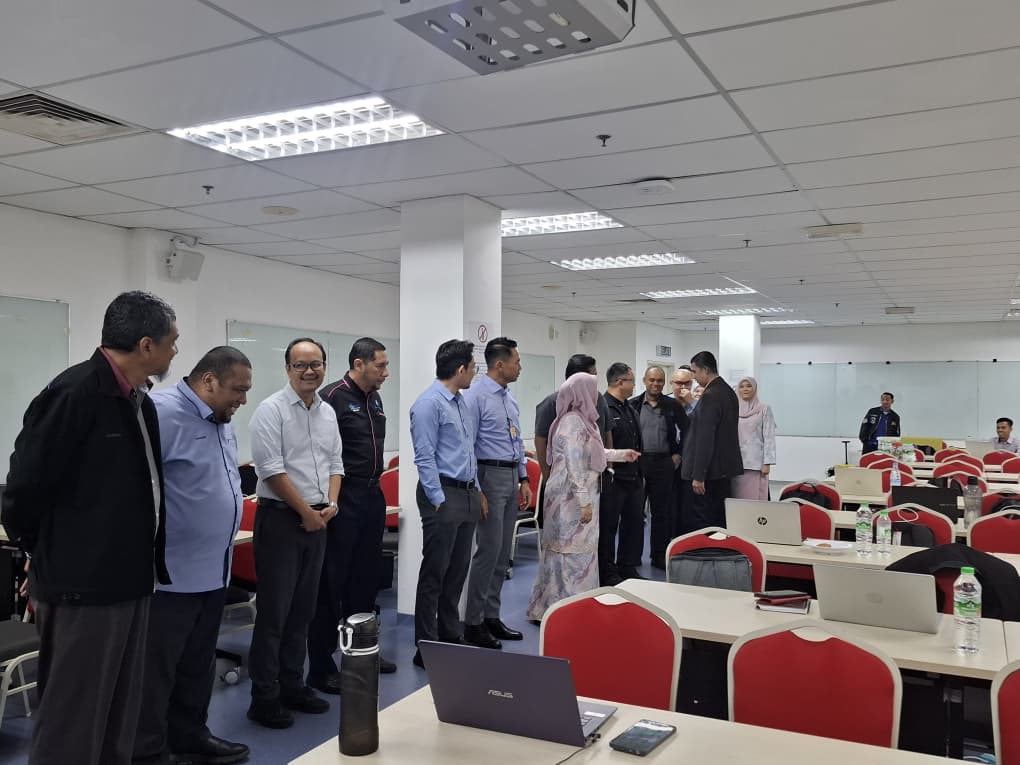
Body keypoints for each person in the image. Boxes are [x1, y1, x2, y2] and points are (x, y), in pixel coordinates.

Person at [2, 291, 178, 765]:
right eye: (171, 342)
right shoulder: (74, 393)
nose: (175, 351)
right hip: (83, 585)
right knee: (74, 718)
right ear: (146, 345)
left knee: (119, 712)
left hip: (131, 578)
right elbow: (23, 490)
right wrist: (43, 554)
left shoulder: (139, 401)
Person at [134, 347, 252, 765]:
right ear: (209, 381)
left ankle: (190, 736)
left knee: (198, 664)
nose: (242, 399)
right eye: (237, 390)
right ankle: (147, 751)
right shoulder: (160, 413)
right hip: (170, 574)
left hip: (214, 570)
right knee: (157, 671)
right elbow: (137, 490)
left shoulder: (222, 419)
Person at [247, 338, 344, 729]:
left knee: (303, 611)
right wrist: (306, 513)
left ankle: (293, 685)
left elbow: (335, 463)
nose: (309, 371)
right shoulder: (270, 411)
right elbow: (271, 470)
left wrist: (331, 504)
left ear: (325, 367)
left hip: (319, 520)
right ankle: (264, 696)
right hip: (282, 520)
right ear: (287, 369)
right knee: (275, 614)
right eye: (301, 365)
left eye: (316, 364)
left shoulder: (327, 412)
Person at [308, 338, 396, 692]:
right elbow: (320, 455)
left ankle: (361, 653)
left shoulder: (374, 398)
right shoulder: (331, 398)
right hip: (343, 496)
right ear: (359, 364)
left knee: (365, 580)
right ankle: (321, 664)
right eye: (380, 365)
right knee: (333, 583)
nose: (386, 372)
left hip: (373, 495)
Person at [526, 373, 639, 620]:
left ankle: (572, 608)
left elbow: (593, 453)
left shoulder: (584, 421)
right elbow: (574, 464)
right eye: (593, 389)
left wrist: (621, 455)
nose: (597, 394)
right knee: (570, 554)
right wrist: (583, 501)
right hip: (570, 500)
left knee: (581, 553)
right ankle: (566, 612)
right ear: (582, 393)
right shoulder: (571, 423)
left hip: (580, 496)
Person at [409, 339, 487, 668]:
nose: (474, 374)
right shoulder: (429, 404)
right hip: (441, 493)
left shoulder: (460, 403)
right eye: (473, 368)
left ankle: (450, 634)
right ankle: (426, 646)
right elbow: (424, 456)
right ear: (460, 369)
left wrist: (477, 491)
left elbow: (468, 452)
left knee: (457, 571)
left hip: (466, 493)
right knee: (435, 573)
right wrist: (437, 498)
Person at [462, 338, 530, 650]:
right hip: (488, 476)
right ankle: (473, 622)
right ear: (500, 364)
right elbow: (468, 447)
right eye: (517, 361)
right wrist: (477, 490)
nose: (520, 367)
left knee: (503, 554)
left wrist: (524, 478)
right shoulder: (475, 397)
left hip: (510, 476)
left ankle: (492, 616)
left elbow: (517, 441)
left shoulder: (509, 398)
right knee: (488, 552)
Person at [630, 366, 687, 570]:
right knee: (635, 513)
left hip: (664, 463)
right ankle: (632, 557)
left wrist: (678, 455)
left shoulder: (673, 405)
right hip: (639, 463)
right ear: (644, 380)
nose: (655, 384)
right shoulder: (633, 405)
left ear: (664, 382)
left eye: (660, 380)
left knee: (661, 513)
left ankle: (659, 556)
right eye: (652, 380)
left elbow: (687, 431)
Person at [679, 351, 742, 532]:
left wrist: (699, 475)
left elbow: (705, 438)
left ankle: (708, 550)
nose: (694, 377)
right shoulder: (728, 392)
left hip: (710, 472)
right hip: (723, 469)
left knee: (705, 521)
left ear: (706, 370)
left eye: (695, 372)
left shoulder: (710, 395)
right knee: (719, 519)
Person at [534, 354, 612, 483]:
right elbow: (541, 440)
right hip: (564, 478)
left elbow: (607, 433)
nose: (595, 380)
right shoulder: (552, 403)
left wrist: (609, 468)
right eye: (592, 375)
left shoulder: (599, 400)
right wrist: (547, 477)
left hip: (595, 476)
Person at [600, 363, 644, 585]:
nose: (634, 386)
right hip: (613, 479)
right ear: (620, 382)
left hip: (634, 478)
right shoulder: (603, 408)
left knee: (634, 524)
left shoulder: (630, 408)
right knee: (609, 528)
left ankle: (627, 566)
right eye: (632, 381)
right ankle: (607, 572)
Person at [731, 376, 777, 502]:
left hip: (756, 465)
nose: (745, 389)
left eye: (749, 386)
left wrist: (767, 463)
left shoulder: (764, 409)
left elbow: (769, 437)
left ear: (755, 388)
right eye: (741, 386)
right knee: (736, 500)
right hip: (736, 464)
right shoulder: (733, 409)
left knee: (754, 499)